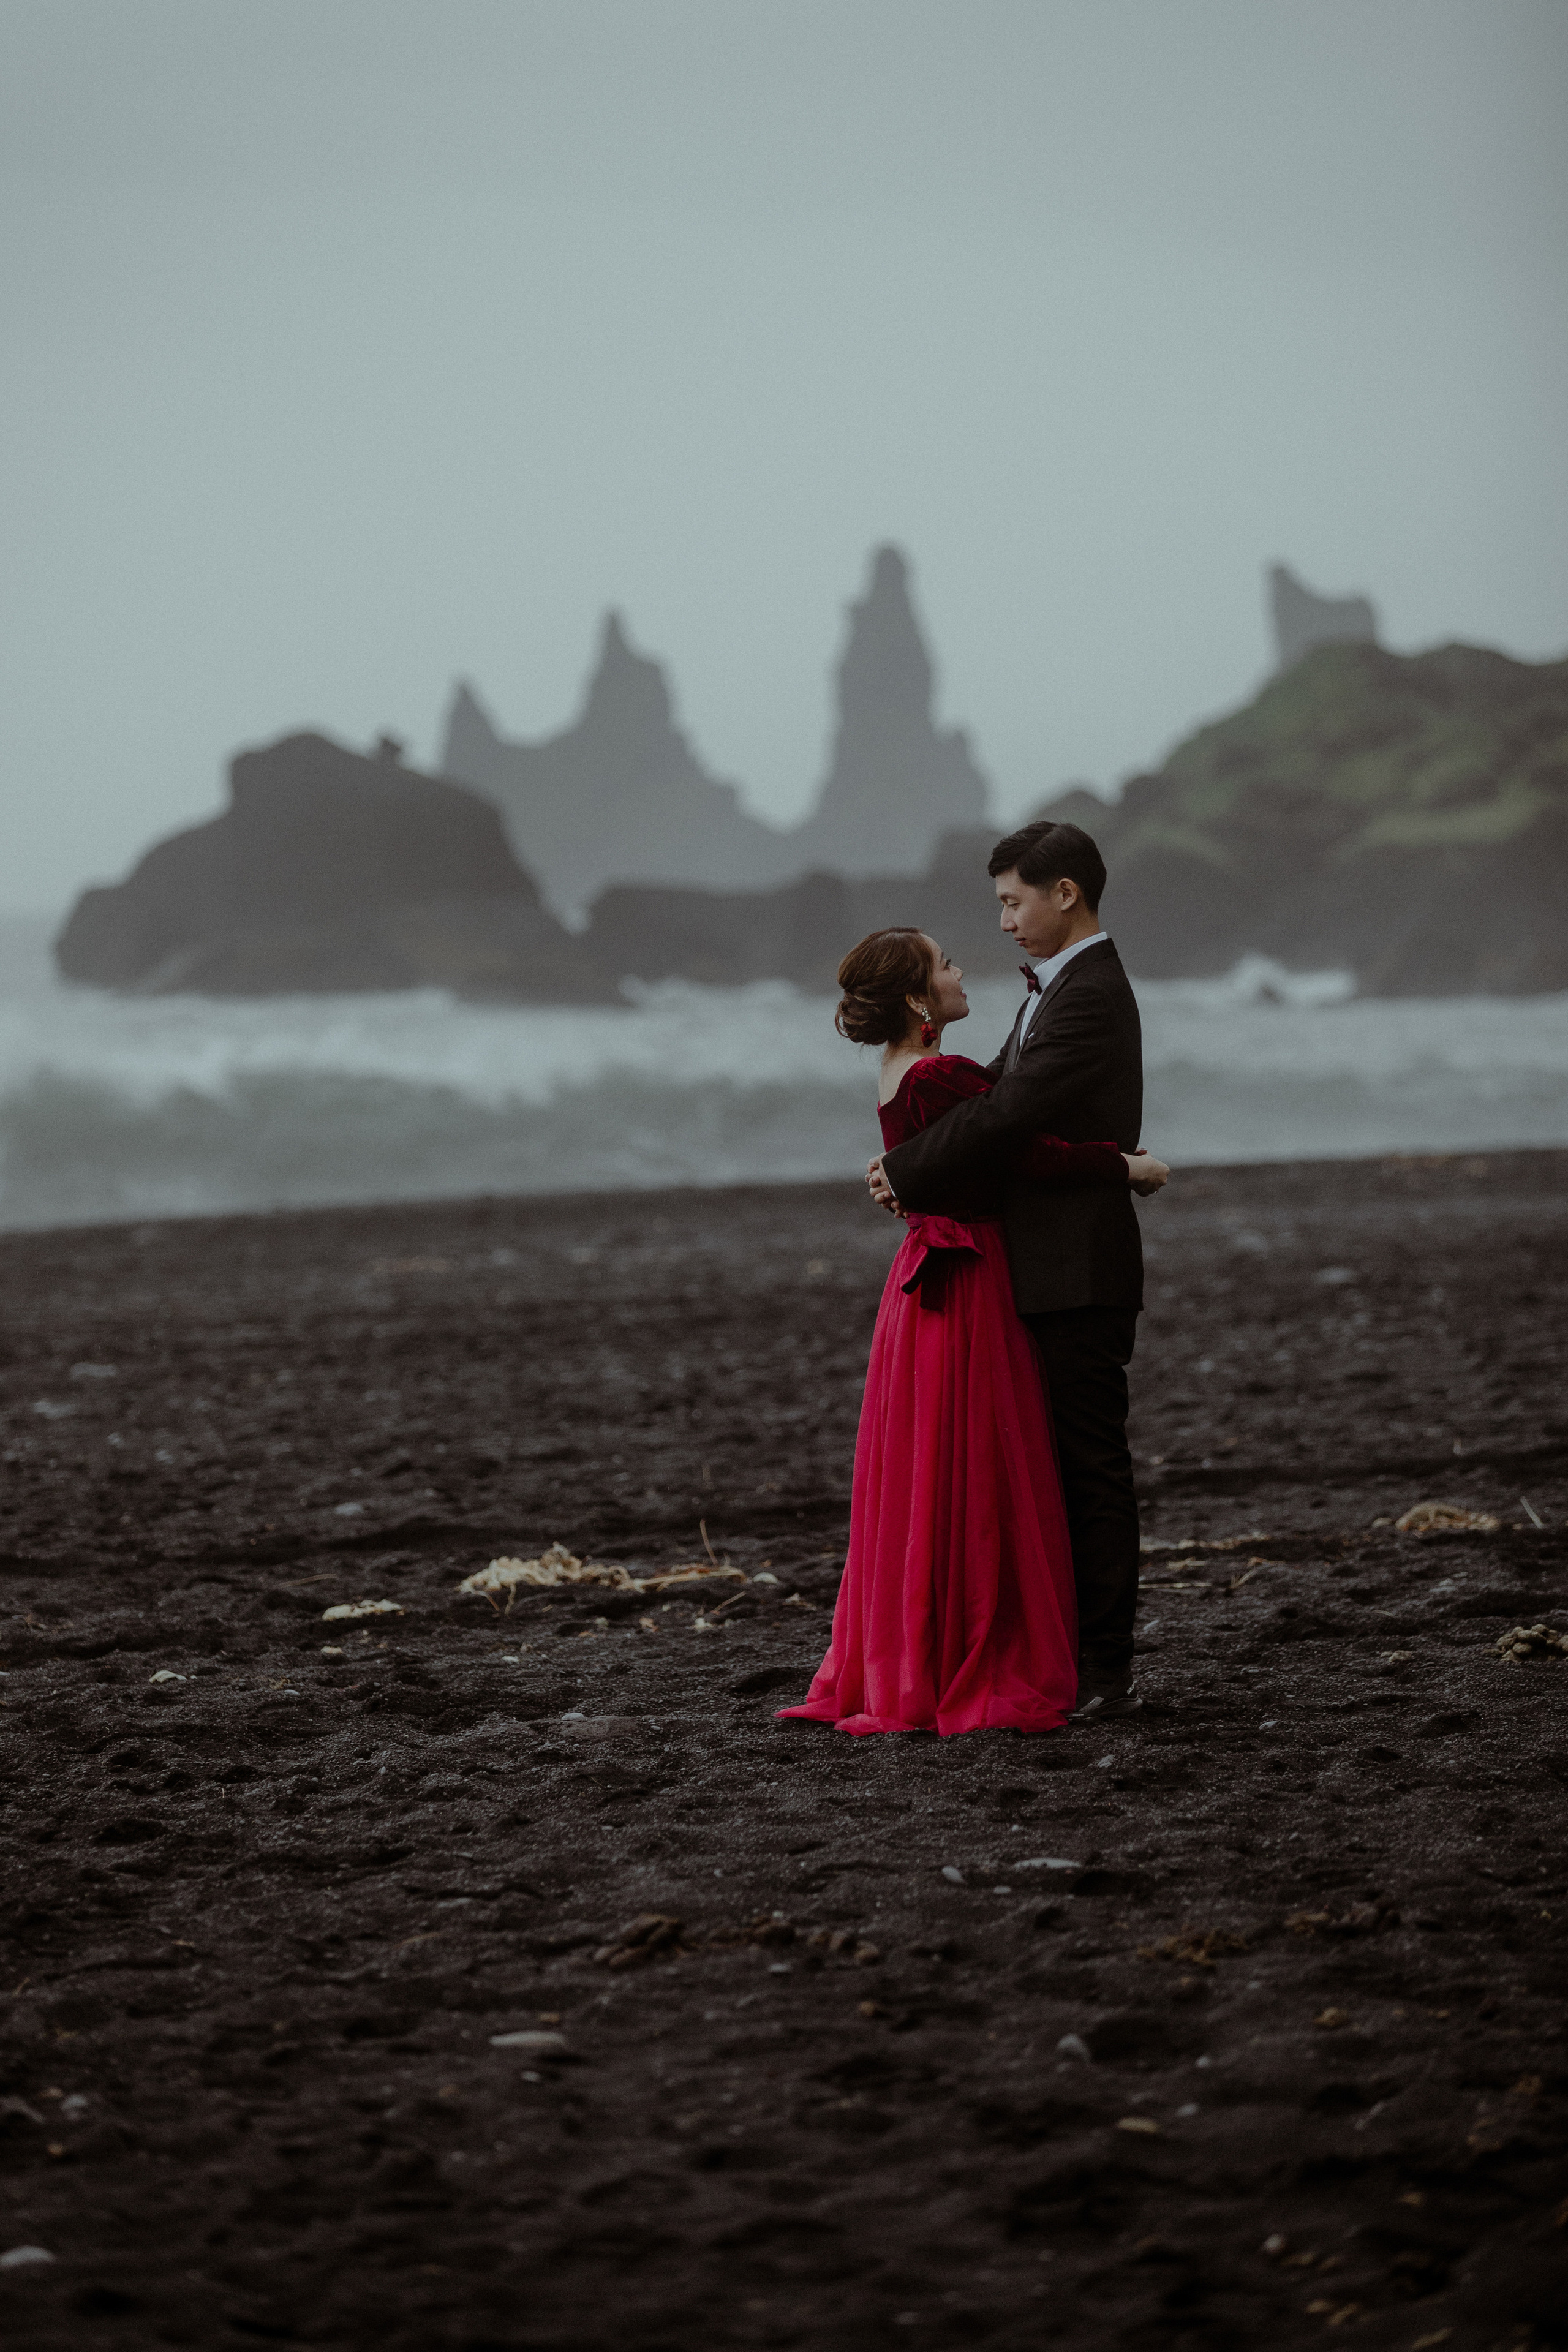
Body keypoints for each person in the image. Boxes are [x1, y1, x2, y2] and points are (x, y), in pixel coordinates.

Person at [777, 925, 1167, 1738]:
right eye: (944, 964)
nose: (960, 970)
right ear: (919, 997)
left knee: (931, 1472)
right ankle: (980, 1651)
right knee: (980, 1470)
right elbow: (1028, 1151)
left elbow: (990, 1117)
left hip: (920, 1280)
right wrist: (1123, 1167)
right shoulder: (939, 1074)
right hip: (972, 1277)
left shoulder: (904, 1074)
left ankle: (919, 1651)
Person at [868, 820, 1156, 1721]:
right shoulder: (1049, 992)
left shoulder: (1091, 993)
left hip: (1077, 1267)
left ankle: (1105, 1668)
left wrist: (901, 1170)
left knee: (1087, 1468)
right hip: (1035, 1262)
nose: (1003, 923)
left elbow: (1011, 1114)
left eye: (1012, 901)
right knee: (1049, 1469)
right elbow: (986, 1097)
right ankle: (1064, 1653)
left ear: (1063, 893)